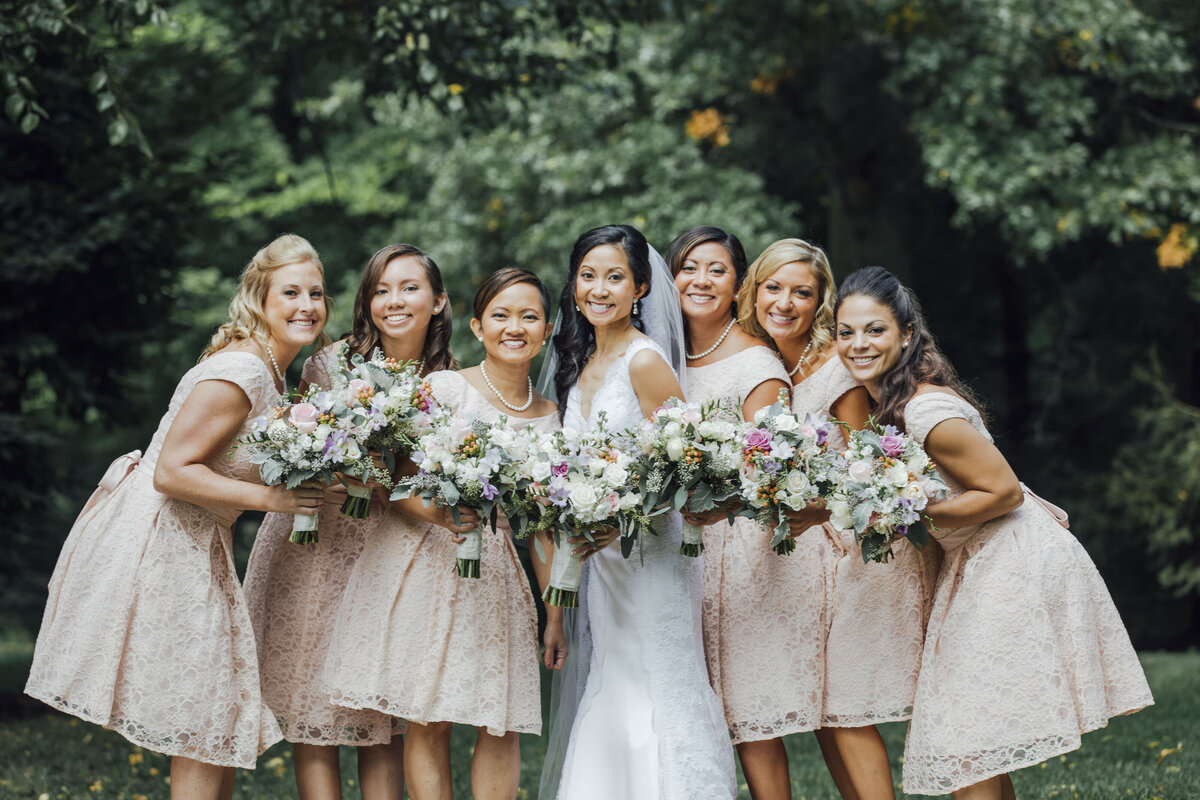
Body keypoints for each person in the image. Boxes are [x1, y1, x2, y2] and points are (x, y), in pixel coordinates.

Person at [25, 234, 330, 800]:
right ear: (259, 297)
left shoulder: (275, 373)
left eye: (316, 292)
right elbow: (171, 472)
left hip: (197, 538)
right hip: (158, 537)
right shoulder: (242, 370)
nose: (306, 305)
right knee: (200, 713)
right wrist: (277, 501)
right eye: (291, 292)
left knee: (213, 709)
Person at [834, 266, 1153, 800]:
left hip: (1010, 559)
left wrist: (911, 517)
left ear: (907, 335)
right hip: (982, 557)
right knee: (970, 740)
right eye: (846, 331)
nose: (858, 344)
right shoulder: (894, 402)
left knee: (965, 744)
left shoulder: (924, 410)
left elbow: (1000, 492)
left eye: (875, 329)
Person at [323, 267, 562, 800]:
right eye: (501, 315)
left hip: (495, 573)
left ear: (546, 331)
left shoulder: (552, 419)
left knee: (498, 720)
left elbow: (543, 527)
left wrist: (554, 613)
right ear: (478, 327)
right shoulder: (446, 388)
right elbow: (402, 490)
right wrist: (446, 515)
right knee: (428, 718)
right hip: (431, 566)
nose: (514, 327)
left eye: (529, 316)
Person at [243, 243, 454, 800]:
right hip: (318, 545)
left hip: (394, 553)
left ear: (438, 301)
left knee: (379, 710)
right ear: (366, 302)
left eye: (409, 287)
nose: (394, 301)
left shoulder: (450, 381)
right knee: (315, 702)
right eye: (380, 290)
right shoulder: (331, 363)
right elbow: (304, 446)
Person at [540, 224, 736, 800]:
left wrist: (625, 509)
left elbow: (689, 468)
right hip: (604, 563)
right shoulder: (578, 366)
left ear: (642, 289)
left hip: (652, 556)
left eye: (615, 277)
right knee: (615, 675)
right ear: (574, 287)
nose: (600, 289)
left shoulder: (645, 362)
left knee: (659, 678)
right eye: (588, 276)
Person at [740, 238, 936, 800]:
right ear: (755, 290)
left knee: (846, 704)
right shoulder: (764, 361)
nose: (784, 302)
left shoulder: (836, 368)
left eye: (802, 292)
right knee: (828, 707)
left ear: (821, 301)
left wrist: (820, 509)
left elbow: (866, 464)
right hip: (795, 555)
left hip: (846, 550)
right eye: (773, 287)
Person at [666, 227, 807, 800]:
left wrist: (711, 501)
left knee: (747, 708)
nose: (701, 280)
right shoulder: (660, 352)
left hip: (738, 547)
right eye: (689, 267)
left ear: (738, 283)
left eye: (717, 269)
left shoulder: (757, 362)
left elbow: (771, 468)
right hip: (669, 549)